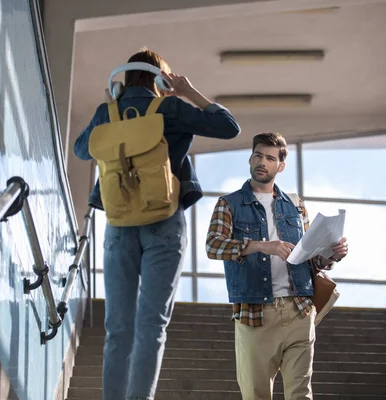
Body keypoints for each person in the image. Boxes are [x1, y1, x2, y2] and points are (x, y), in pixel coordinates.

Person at [74, 48, 241, 400]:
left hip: (119, 222)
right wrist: (188, 91)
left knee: (117, 328)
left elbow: (80, 150)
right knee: (152, 326)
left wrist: (113, 113)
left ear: (125, 79)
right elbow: (229, 127)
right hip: (163, 221)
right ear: (162, 80)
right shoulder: (170, 108)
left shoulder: (109, 111)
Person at [205, 132, 348, 400]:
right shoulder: (229, 204)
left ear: (280, 166)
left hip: (300, 310)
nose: (262, 162)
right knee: (256, 394)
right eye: (258, 155)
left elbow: (310, 257)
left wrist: (331, 254)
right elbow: (213, 246)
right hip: (255, 314)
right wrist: (261, 245)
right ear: (250, 158)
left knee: (300, 395)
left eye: (270, 158)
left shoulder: (296, 206)